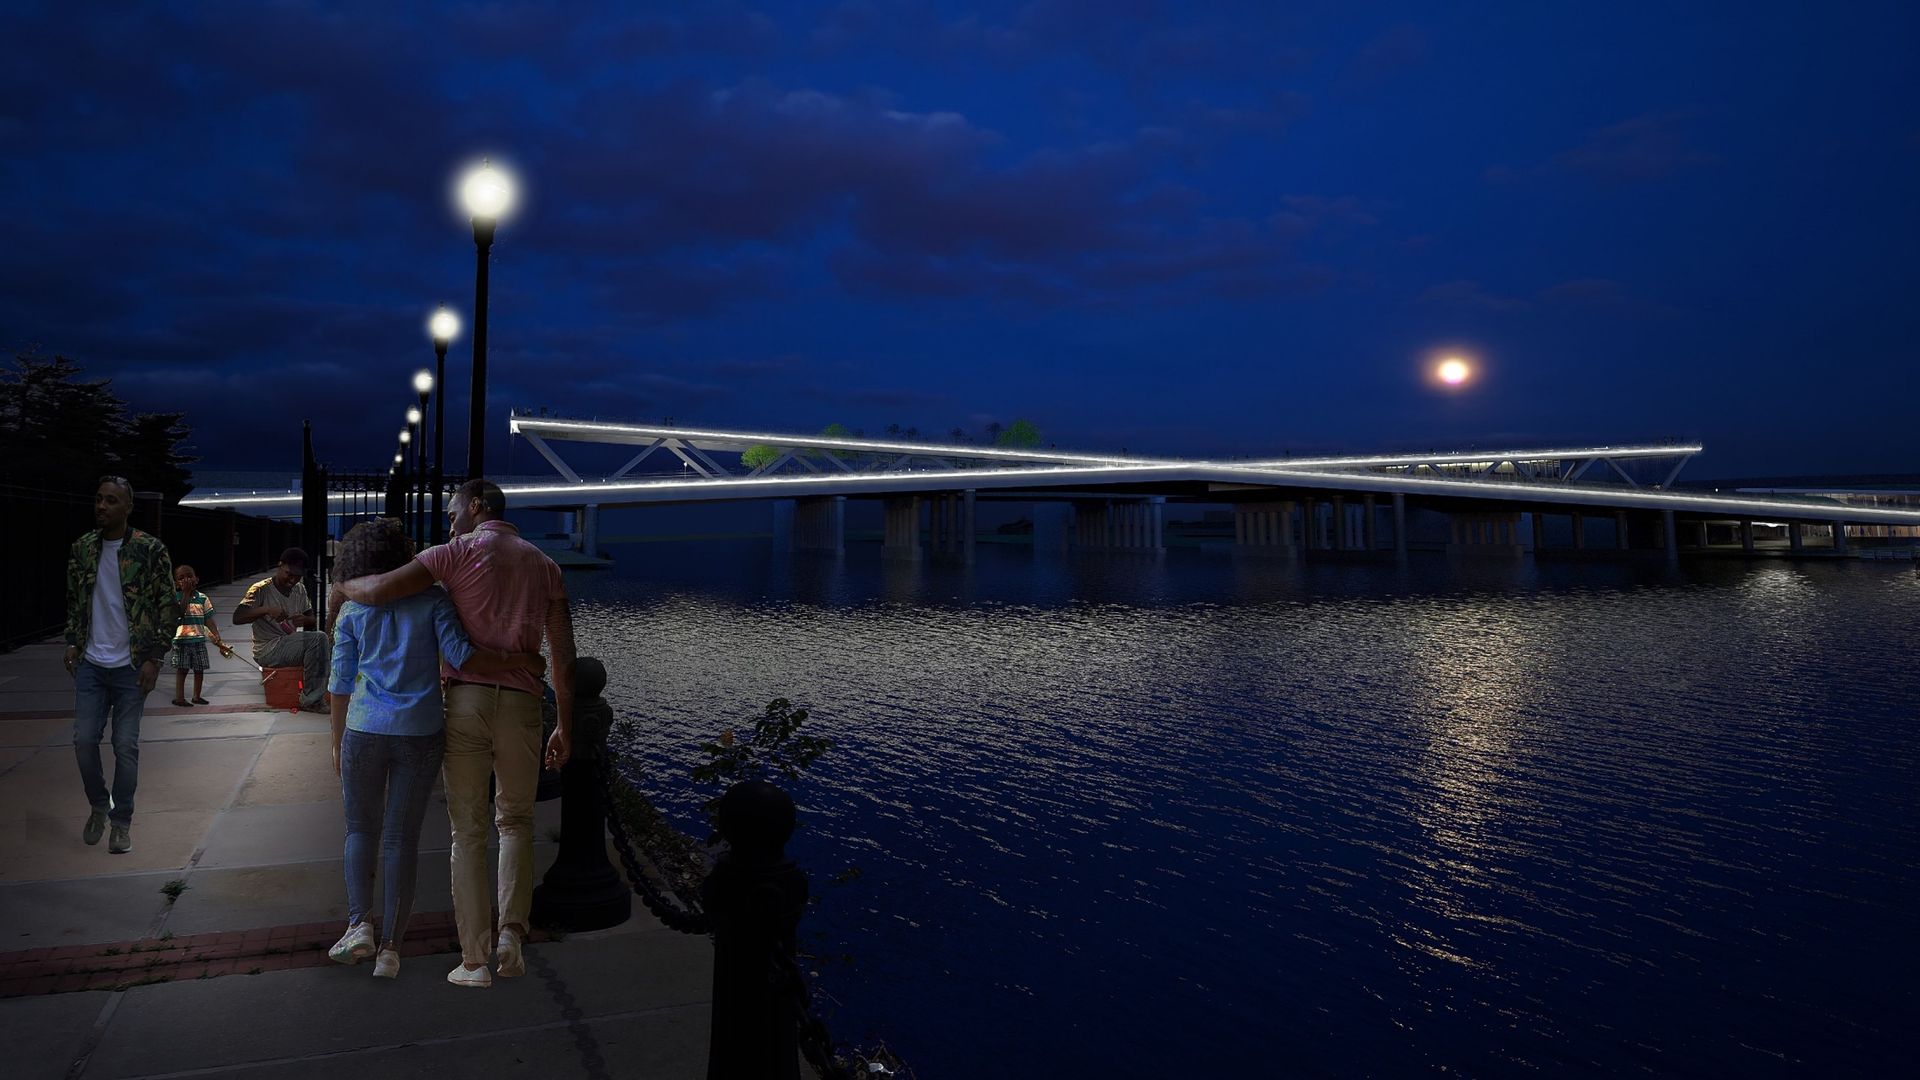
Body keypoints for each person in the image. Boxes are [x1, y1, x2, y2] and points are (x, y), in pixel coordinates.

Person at [337, 478, 576, 989]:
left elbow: (379, 591)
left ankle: (474, 960)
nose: (448, 520)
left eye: (451, 510)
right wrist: (566, 726)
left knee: (467, 831)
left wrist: (342, 585)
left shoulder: (451, 555)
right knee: (515, 821)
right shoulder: (546, 565)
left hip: (465, 701)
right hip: (523, 704)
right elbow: (562, 654)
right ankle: (512, 932)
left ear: (475, 506)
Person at [63, 475, 175, 855]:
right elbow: (75, 599)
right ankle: (99, 803)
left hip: (131, 666)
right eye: (98, 499)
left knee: (125, 745)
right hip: (92, 664)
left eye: (111, 501)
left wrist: (154, 658)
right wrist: (73, 642)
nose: (102, 506)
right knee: (83, 741)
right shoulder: (82, 549)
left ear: (128, 507)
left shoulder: (149, 549)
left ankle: (121, 821)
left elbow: (167, 604)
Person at [234, 548, 331, 712]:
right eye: (289, 574)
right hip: (268, 649)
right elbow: (237, 617)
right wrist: (266, 610)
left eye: (297, 576)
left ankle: (320, 692)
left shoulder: (299, 589)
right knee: (319, 639)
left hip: (288, 643)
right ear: (280, 566)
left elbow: (311, 619)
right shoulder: (260, 589)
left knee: (326, 642)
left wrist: (305, 619)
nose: (292, 580)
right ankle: (311, 701)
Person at [168, 564, 231, 707]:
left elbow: (208, 619)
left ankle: (197, 696)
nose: (186, 580)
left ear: (196, 579)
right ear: (176, 583)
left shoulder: (202, 598)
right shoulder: (176, 597)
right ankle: (180, 698)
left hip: (198, 639)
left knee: (199, 668)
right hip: (181, 641)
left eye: (189, 576)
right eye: (181, 578)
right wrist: (185, 593)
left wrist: (216, 635)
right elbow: (180, 612)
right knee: (182, 669)